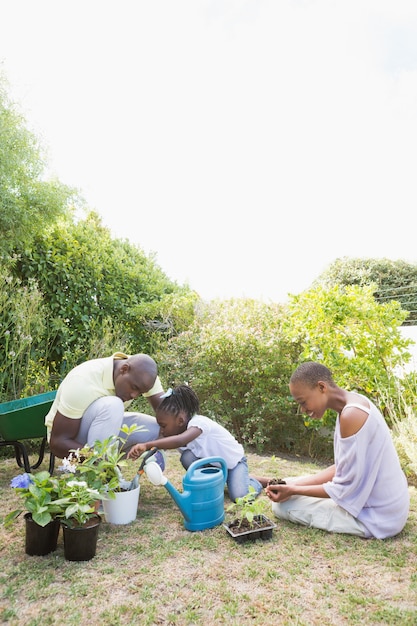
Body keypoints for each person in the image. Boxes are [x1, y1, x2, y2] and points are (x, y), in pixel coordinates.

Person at [260, 362, 409, 539]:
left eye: (303, 401)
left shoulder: (351, 415)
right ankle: (275, 483)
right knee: (290, 485)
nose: (302, 409)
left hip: (378, 518)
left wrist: (293, 490)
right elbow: (341, 468)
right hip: (392, 507)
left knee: (282, 506)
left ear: (321, 387)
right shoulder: (353, 403)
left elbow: (342, 488)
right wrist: (292, 486)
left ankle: (283, 486)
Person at [127, 384, 262, 502]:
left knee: (240, 497)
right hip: (214, 465)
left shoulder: (198, 423)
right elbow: (160, 446)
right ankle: (225, 481)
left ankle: (254, 481)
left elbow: (180, 440)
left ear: (180, 421)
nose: (161, 430)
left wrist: (146, 445)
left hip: (234, 464)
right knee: (187, 457)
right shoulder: (175, 432)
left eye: (163, 426)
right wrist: (143, 453)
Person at [45, 352, 164, 459]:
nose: (134, 395)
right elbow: (58, 442)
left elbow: (169, 416)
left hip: (102, 434)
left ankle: (108, 463)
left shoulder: (143, 375)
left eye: (140, 393)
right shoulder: (82, 381)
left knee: (158, 430)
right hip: (72, 441)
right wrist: (97, 459)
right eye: (134, 388)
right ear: (124, 369)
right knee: (114, 405)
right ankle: (97, 471)